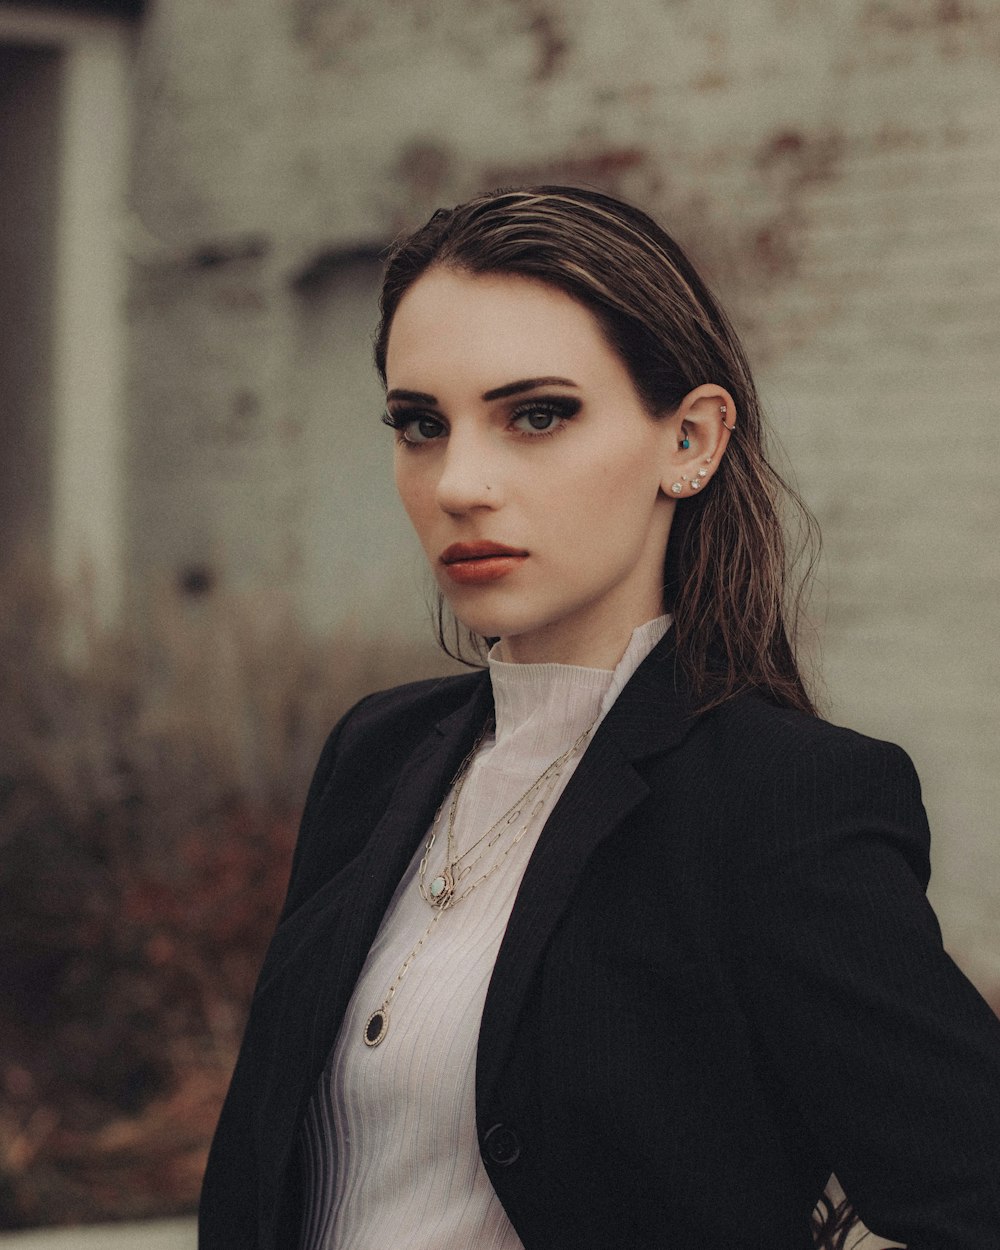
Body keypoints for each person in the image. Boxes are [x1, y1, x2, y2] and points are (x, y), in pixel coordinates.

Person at [198, 186, 1000, 1250]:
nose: (459, 482)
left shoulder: (779, 798)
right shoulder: (376, 752)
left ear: (691, 440)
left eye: (536, 413)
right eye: (419, 424)